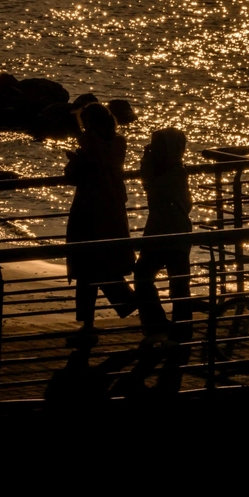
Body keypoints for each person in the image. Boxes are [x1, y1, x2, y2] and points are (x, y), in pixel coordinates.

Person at [64, 102, 137, 344]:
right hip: (112, 208)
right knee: (102, 264)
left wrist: (75, 159)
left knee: (87, 267)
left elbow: (77, 172)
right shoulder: (118, 142)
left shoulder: (90, 143)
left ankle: (93, 322)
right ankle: (121, 306)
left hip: (89, 210)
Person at [133, 128, 193, 345]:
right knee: (143, 275)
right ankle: (156, 324)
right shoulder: (166, 170)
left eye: (159, 145)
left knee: (178, 284)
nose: (155, 149)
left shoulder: (176, 173)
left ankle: (180, 332)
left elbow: (152, 186)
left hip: (174, 233)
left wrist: (146, 162)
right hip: (157, 231)